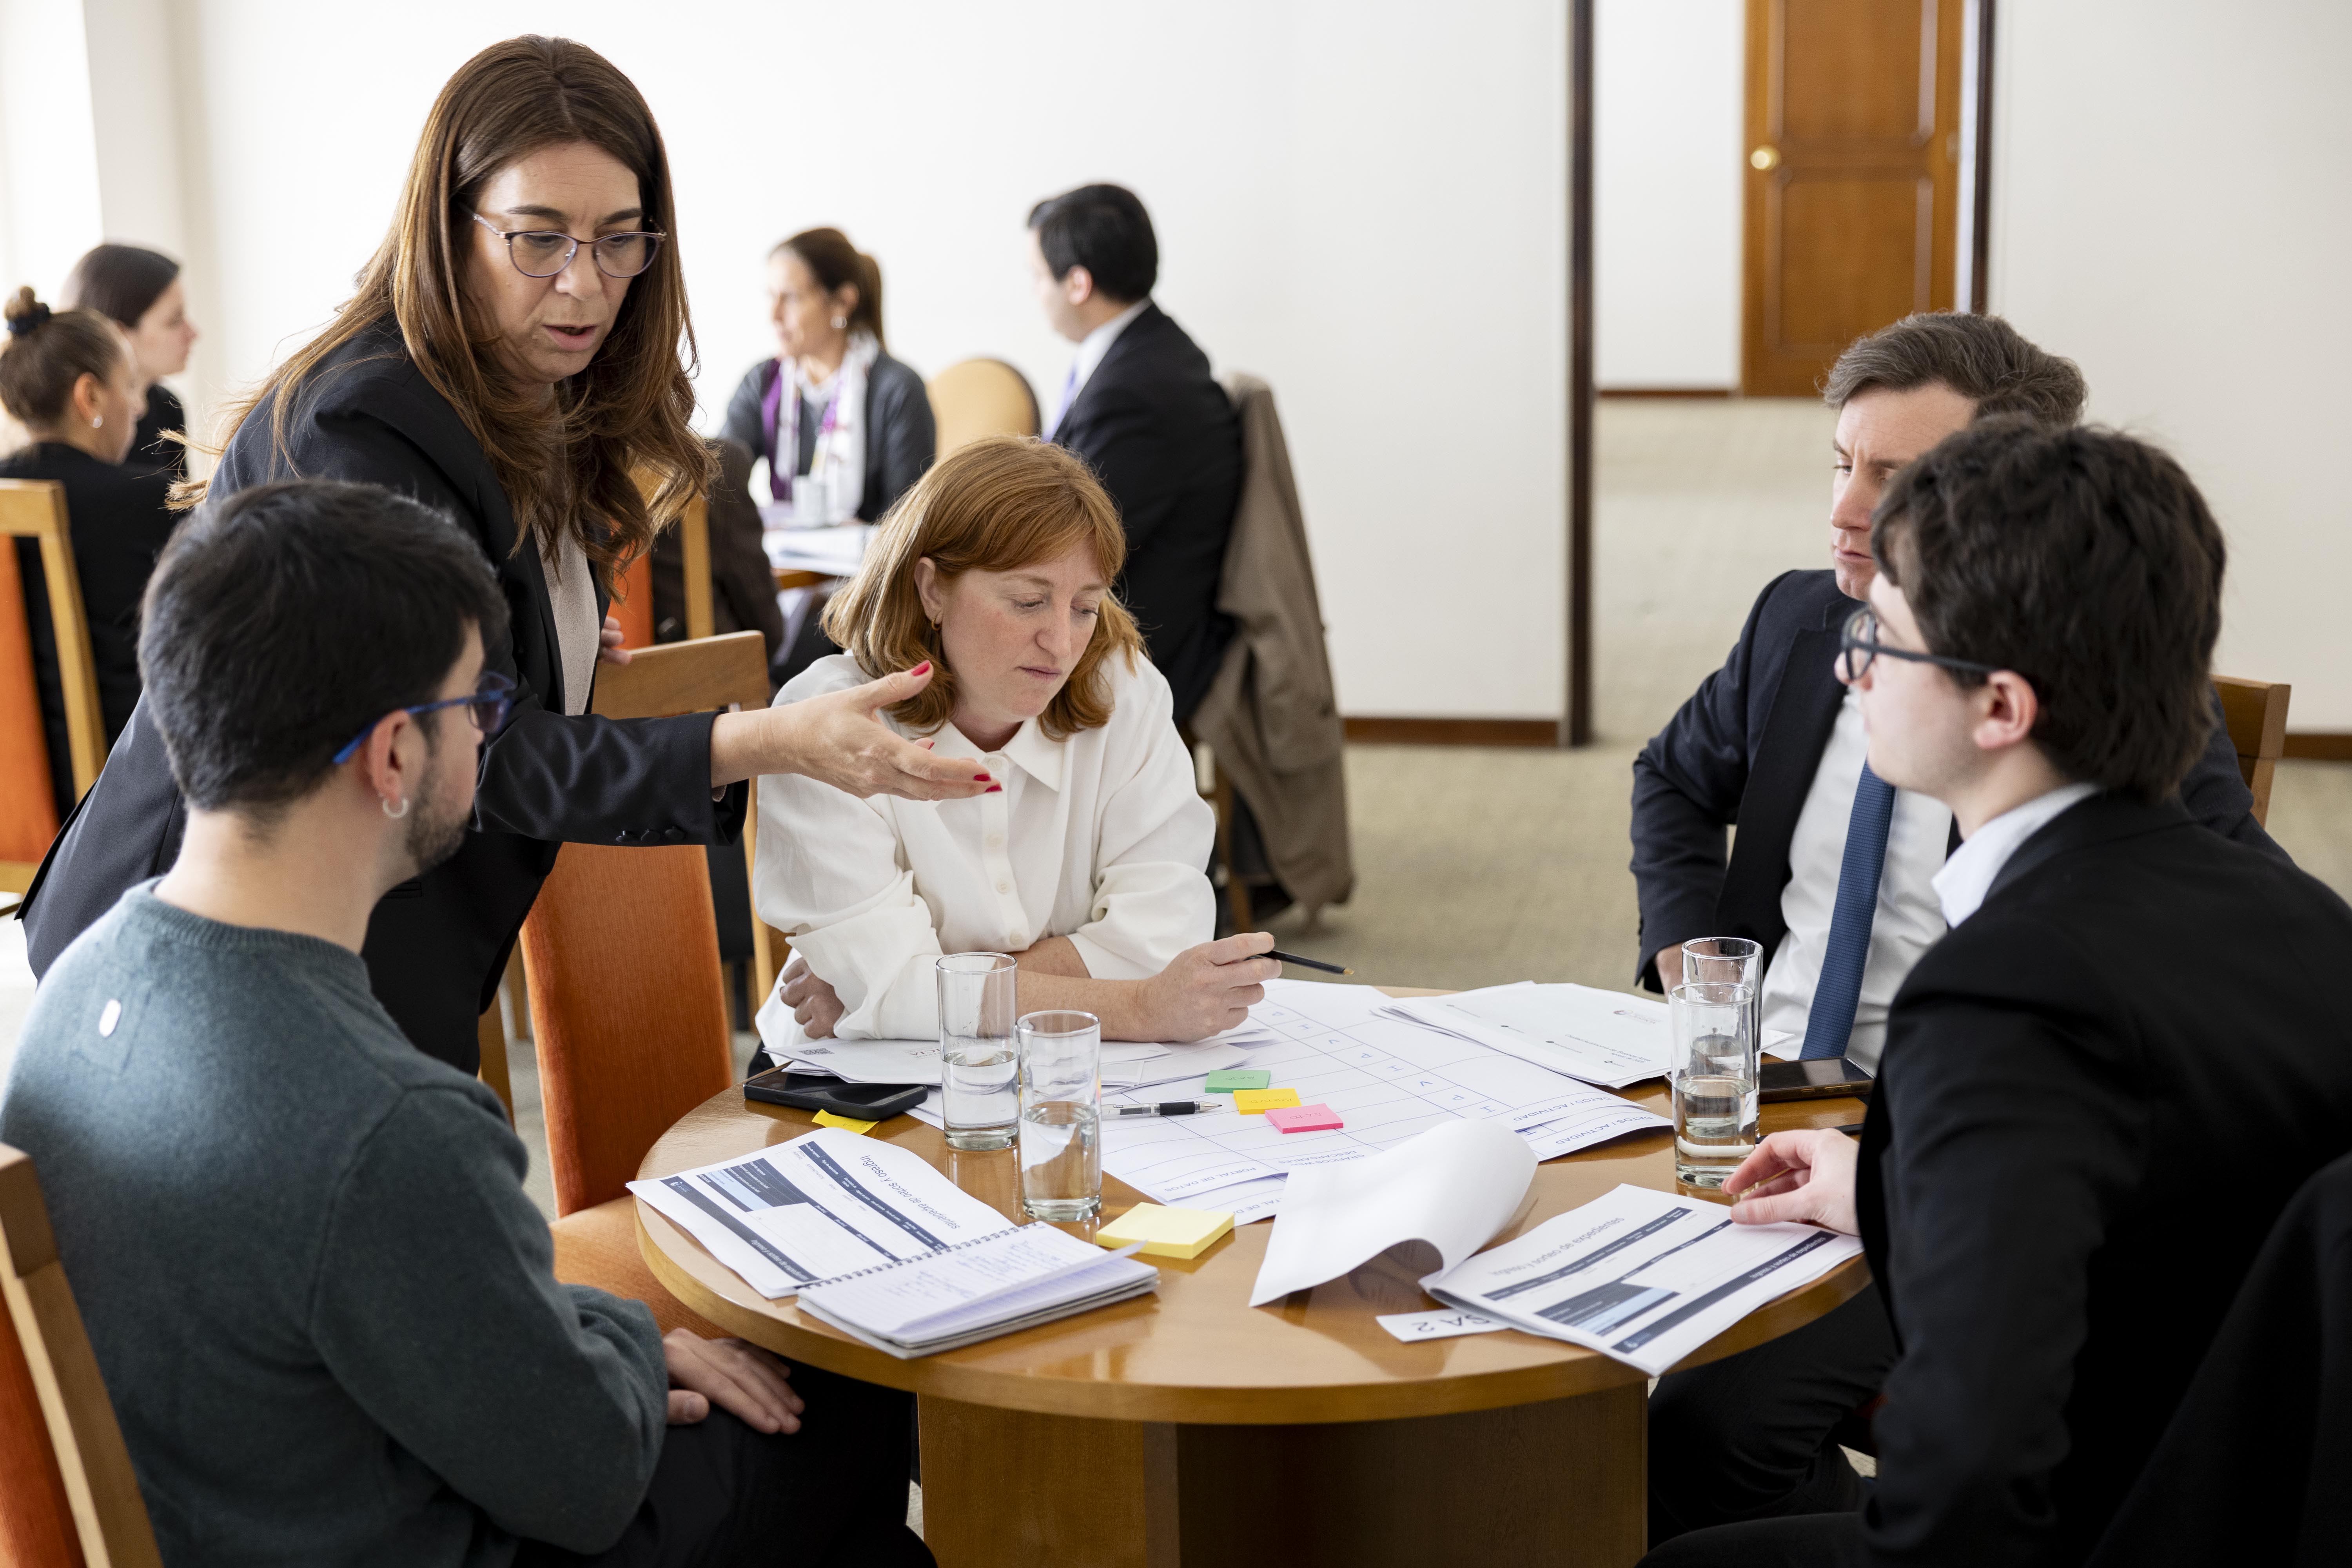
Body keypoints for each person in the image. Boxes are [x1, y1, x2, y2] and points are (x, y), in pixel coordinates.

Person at [0, 479, 929, 1567]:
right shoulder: (384, 1122)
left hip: (244, 1494)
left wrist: (587, 1348)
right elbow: (584, 1481)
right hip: (412, 1533)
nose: (492, 742)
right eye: (481, 711)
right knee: (853, 1402)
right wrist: (633, 1339)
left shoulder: (79, 978)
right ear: (395, 757)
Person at [15, 37, 989, 1072]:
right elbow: (466, 748)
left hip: (354, 933)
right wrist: (766, 739)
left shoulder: (526, 383)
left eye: (621, 241)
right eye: (538, 239)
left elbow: (472, 641)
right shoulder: (363, 422)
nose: (584, 285)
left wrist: (540, 634)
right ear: (451, 227)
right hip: (216, 960)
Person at [1634, 420, 2352, 1568]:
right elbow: (2167, 1223)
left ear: (1999, 709)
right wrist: (1895, 1190)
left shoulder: (2001, 992)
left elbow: (1961, 1479)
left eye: (1883, 637)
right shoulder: (2308, 923)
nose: (1847, 664)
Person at [757, 436, 1277, 1045]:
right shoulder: (823, 724)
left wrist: (916, 995)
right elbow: (891, 992)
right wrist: (1136, 1007)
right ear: (932, 590)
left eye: (1085, 607)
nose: (1061, 644)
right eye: (1029, 602)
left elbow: (1165, 937)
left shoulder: (1123, 690)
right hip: (851, 1086)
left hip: (1061, 1074)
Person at [1028, 183, 1241, 728]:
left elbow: (1078, 537)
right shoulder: (1150, 351)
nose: (1035, 293)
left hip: (1147, 639)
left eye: (1037, 277)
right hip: (1154, 608)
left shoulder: (1135, 388)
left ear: (1077, 283)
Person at [721, 228, 937, 687]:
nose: (773, 315)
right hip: (787, 580)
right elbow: (721, 478)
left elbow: (908, 525)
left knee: (778, 666)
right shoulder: (764, 384)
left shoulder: (897, 390)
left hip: (865, 594)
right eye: (770, 297)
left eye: (791, 298)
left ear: (841, 303)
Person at [0, 288, 177, 815]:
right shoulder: (145, 499)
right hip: (115, 798)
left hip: (12, 799)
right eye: (130, 386)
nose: (142, 406)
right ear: (91, 398)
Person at [60, 241, 200, 477]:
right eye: (174, 321)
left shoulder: (167, 407)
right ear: (118, 335)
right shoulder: (71, 430)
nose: (194, 333)